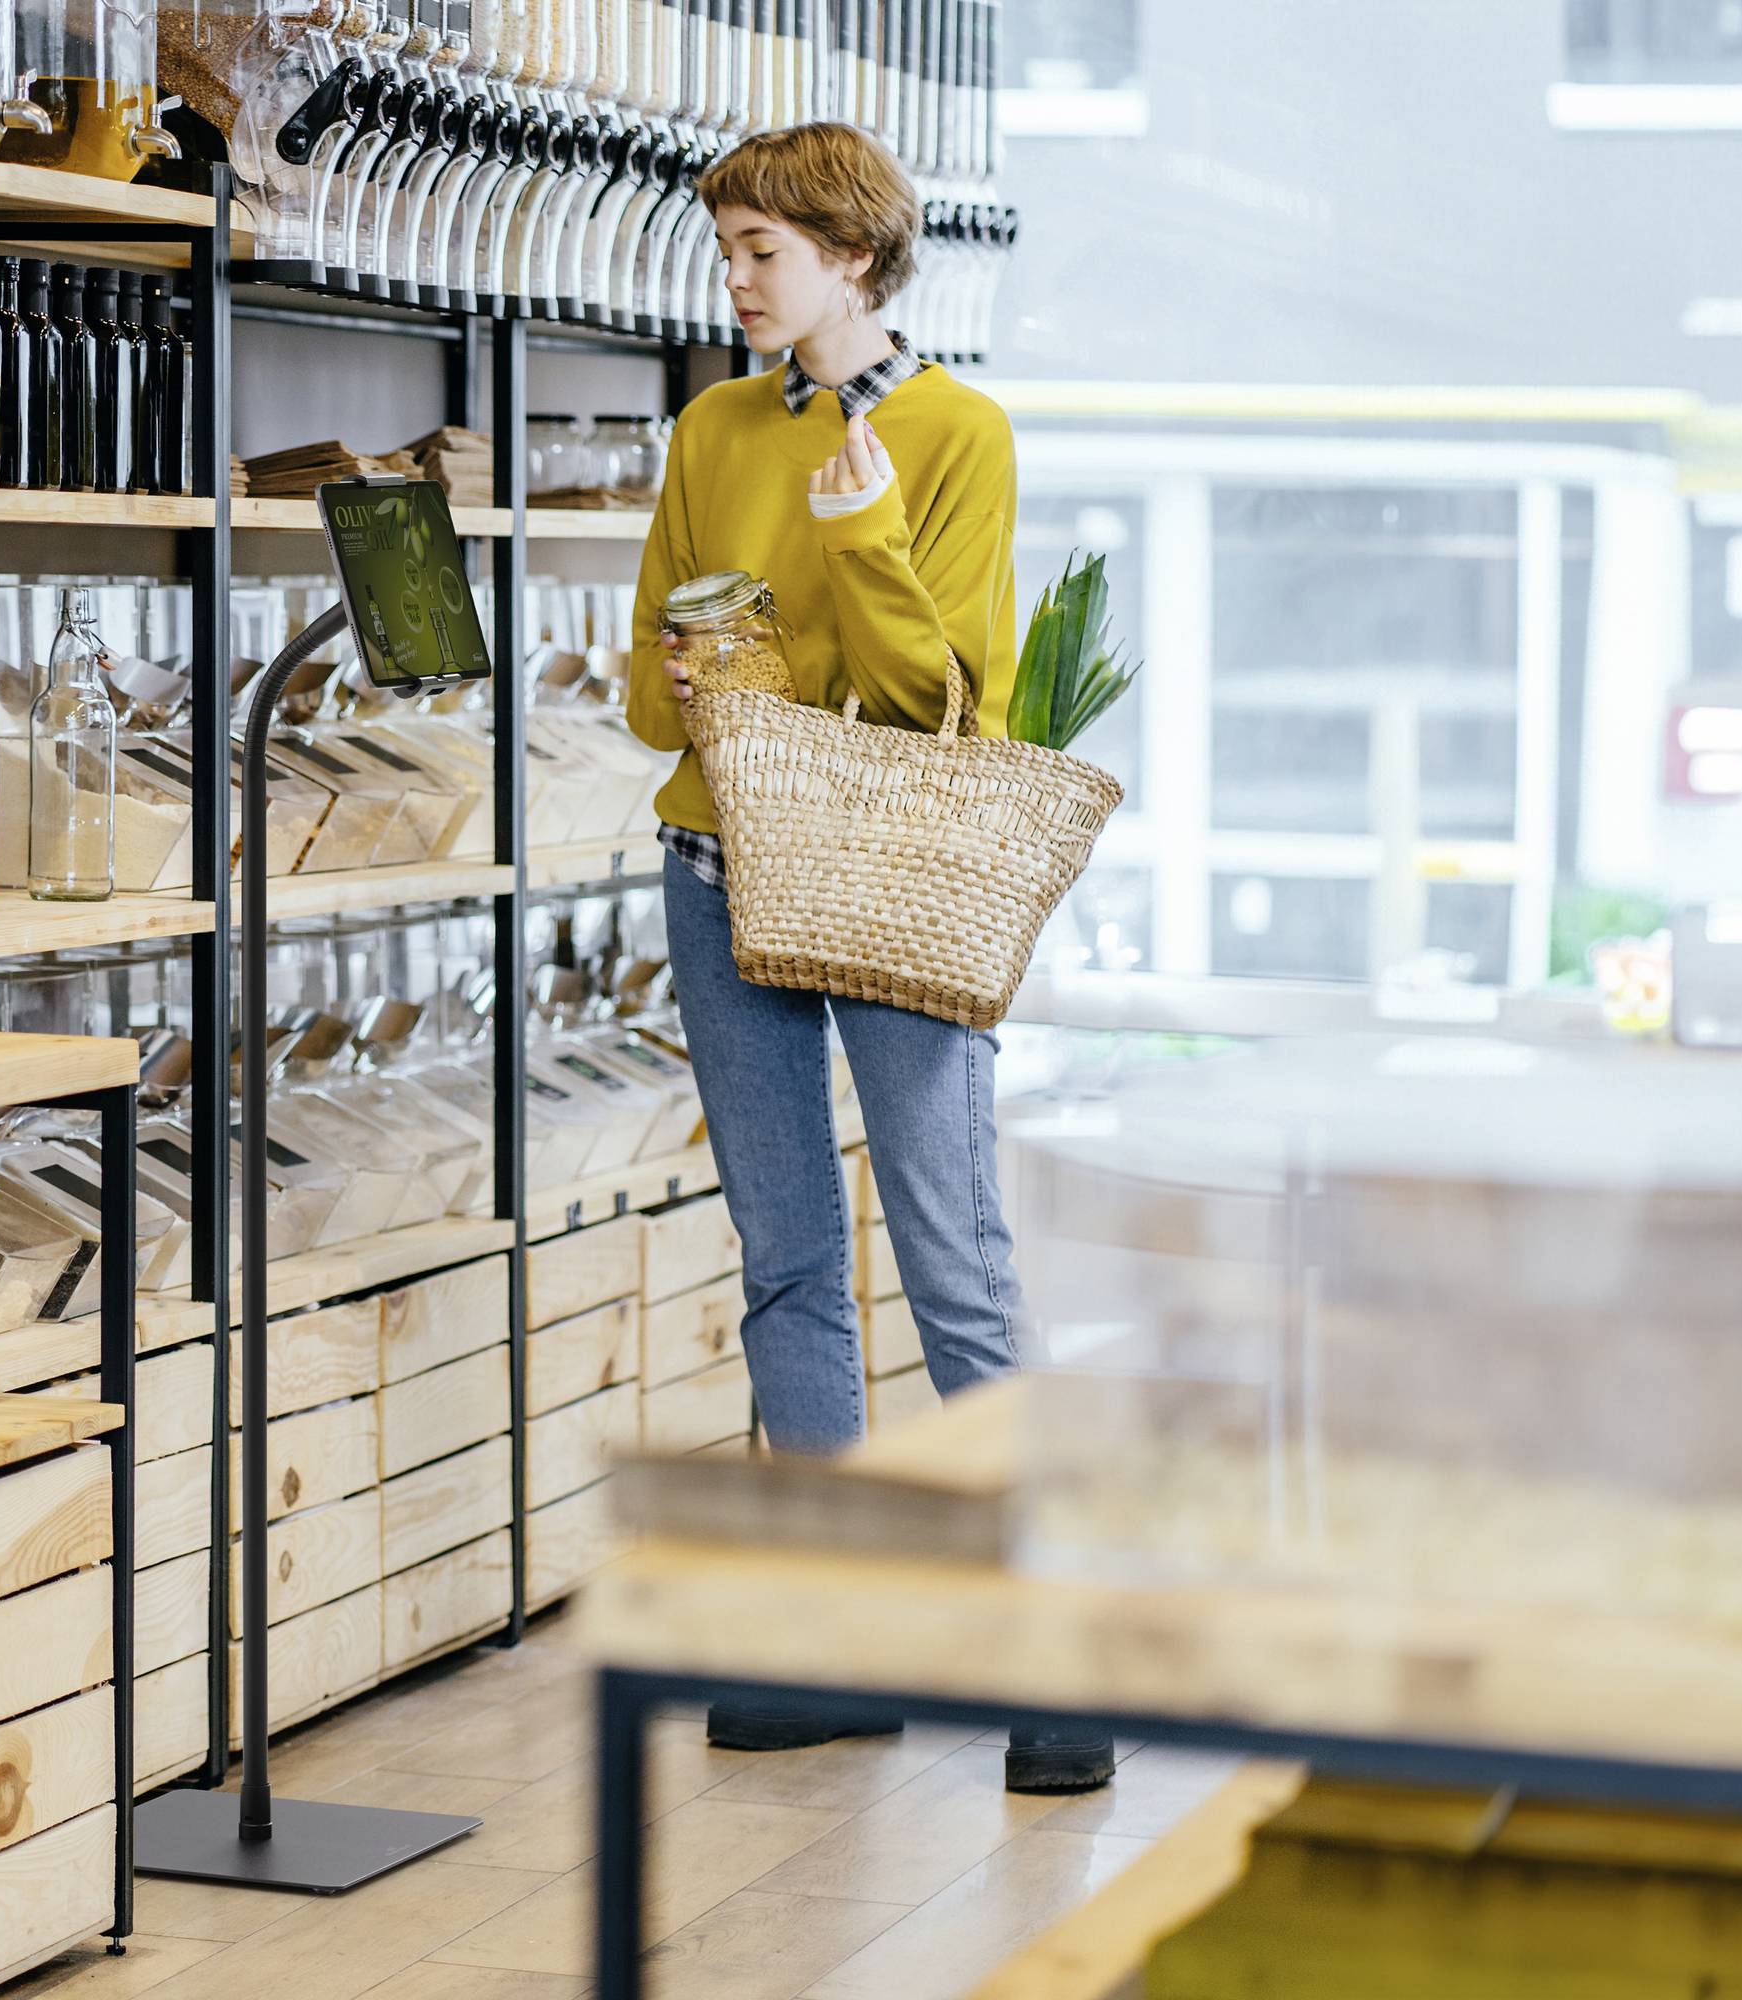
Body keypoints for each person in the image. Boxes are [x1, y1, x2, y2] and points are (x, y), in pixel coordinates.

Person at [626, 122, 1114, 1795]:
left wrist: (857, 530)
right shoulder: (706, 424)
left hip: (896, 873)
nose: (736, 278)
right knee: (784, 1260)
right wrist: (714, 673)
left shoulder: (959, 435)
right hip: (719, 867)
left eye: (762, 250)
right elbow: (647, 692)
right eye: (730, 247)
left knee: (953, 1260)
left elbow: (943, 698)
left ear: (855, 258)